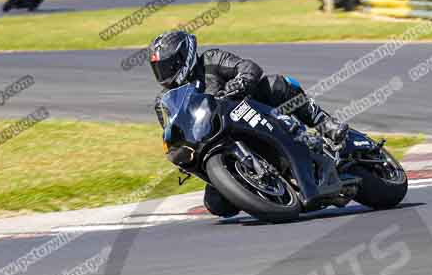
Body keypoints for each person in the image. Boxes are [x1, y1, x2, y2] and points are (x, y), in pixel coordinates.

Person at [148, 30, 348, 217]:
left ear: (184, 56)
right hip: (217, 140)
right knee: (216, 204)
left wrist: (242, 81)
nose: (164, 74)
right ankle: (267, 192)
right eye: (159, 69)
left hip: (251, 110)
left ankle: (325, 123)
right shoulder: (165, 100)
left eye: (168, 66)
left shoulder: (211, 60)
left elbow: (248, 67)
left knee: (277, 84)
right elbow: (173, 129)